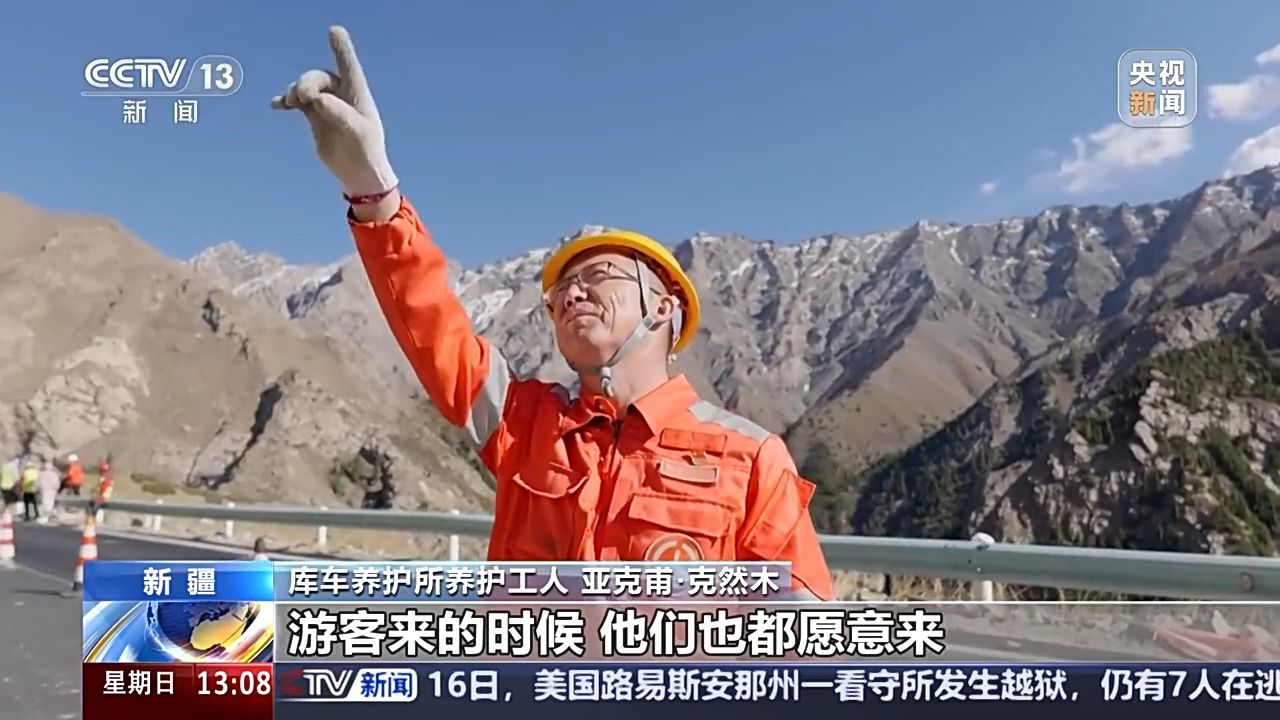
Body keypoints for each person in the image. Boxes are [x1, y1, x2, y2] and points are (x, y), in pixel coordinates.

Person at [273, 27, 833, 599]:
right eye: (561, 289)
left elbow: (799, 630)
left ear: (663, 306)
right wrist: (372, 188)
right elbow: (431, 322)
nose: (571, 294)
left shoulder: (751, 458)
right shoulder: (524, 424)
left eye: (598, 275)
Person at [37, 459, 60, 524]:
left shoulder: (41, 474)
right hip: (53, 490)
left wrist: (38, 488)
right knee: (51, 502)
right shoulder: (55, 474)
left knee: (45, 503)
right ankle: (50, 515)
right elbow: (57, 483)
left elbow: (38, 482)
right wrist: (56, 489)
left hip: (45, 490)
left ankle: (46, 517)